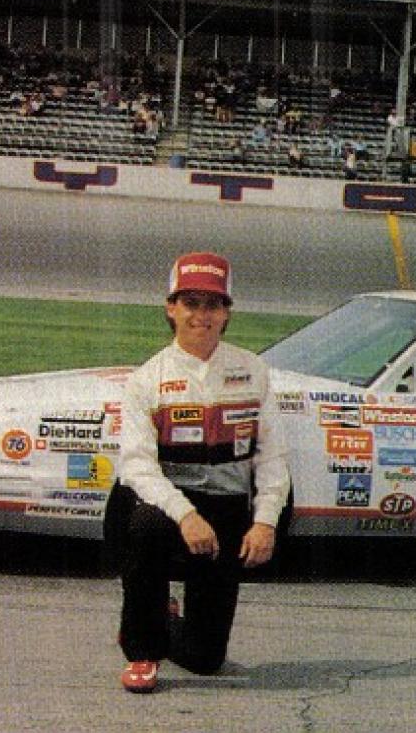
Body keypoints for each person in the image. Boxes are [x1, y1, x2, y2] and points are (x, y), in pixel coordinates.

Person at [108, 252, 290, 694]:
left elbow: (272, 456)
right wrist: (186, 515)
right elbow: (137, 466)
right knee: (145, 523)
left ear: (227, 313)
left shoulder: (253, 370)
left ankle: (165, 619)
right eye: (190, 303)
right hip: (169, 506)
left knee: (206, 659)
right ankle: (142, 649)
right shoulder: (147, 379)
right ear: (171, 308)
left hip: (228, 506)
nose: (201, 316)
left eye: (213, 304)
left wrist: (265, 521)